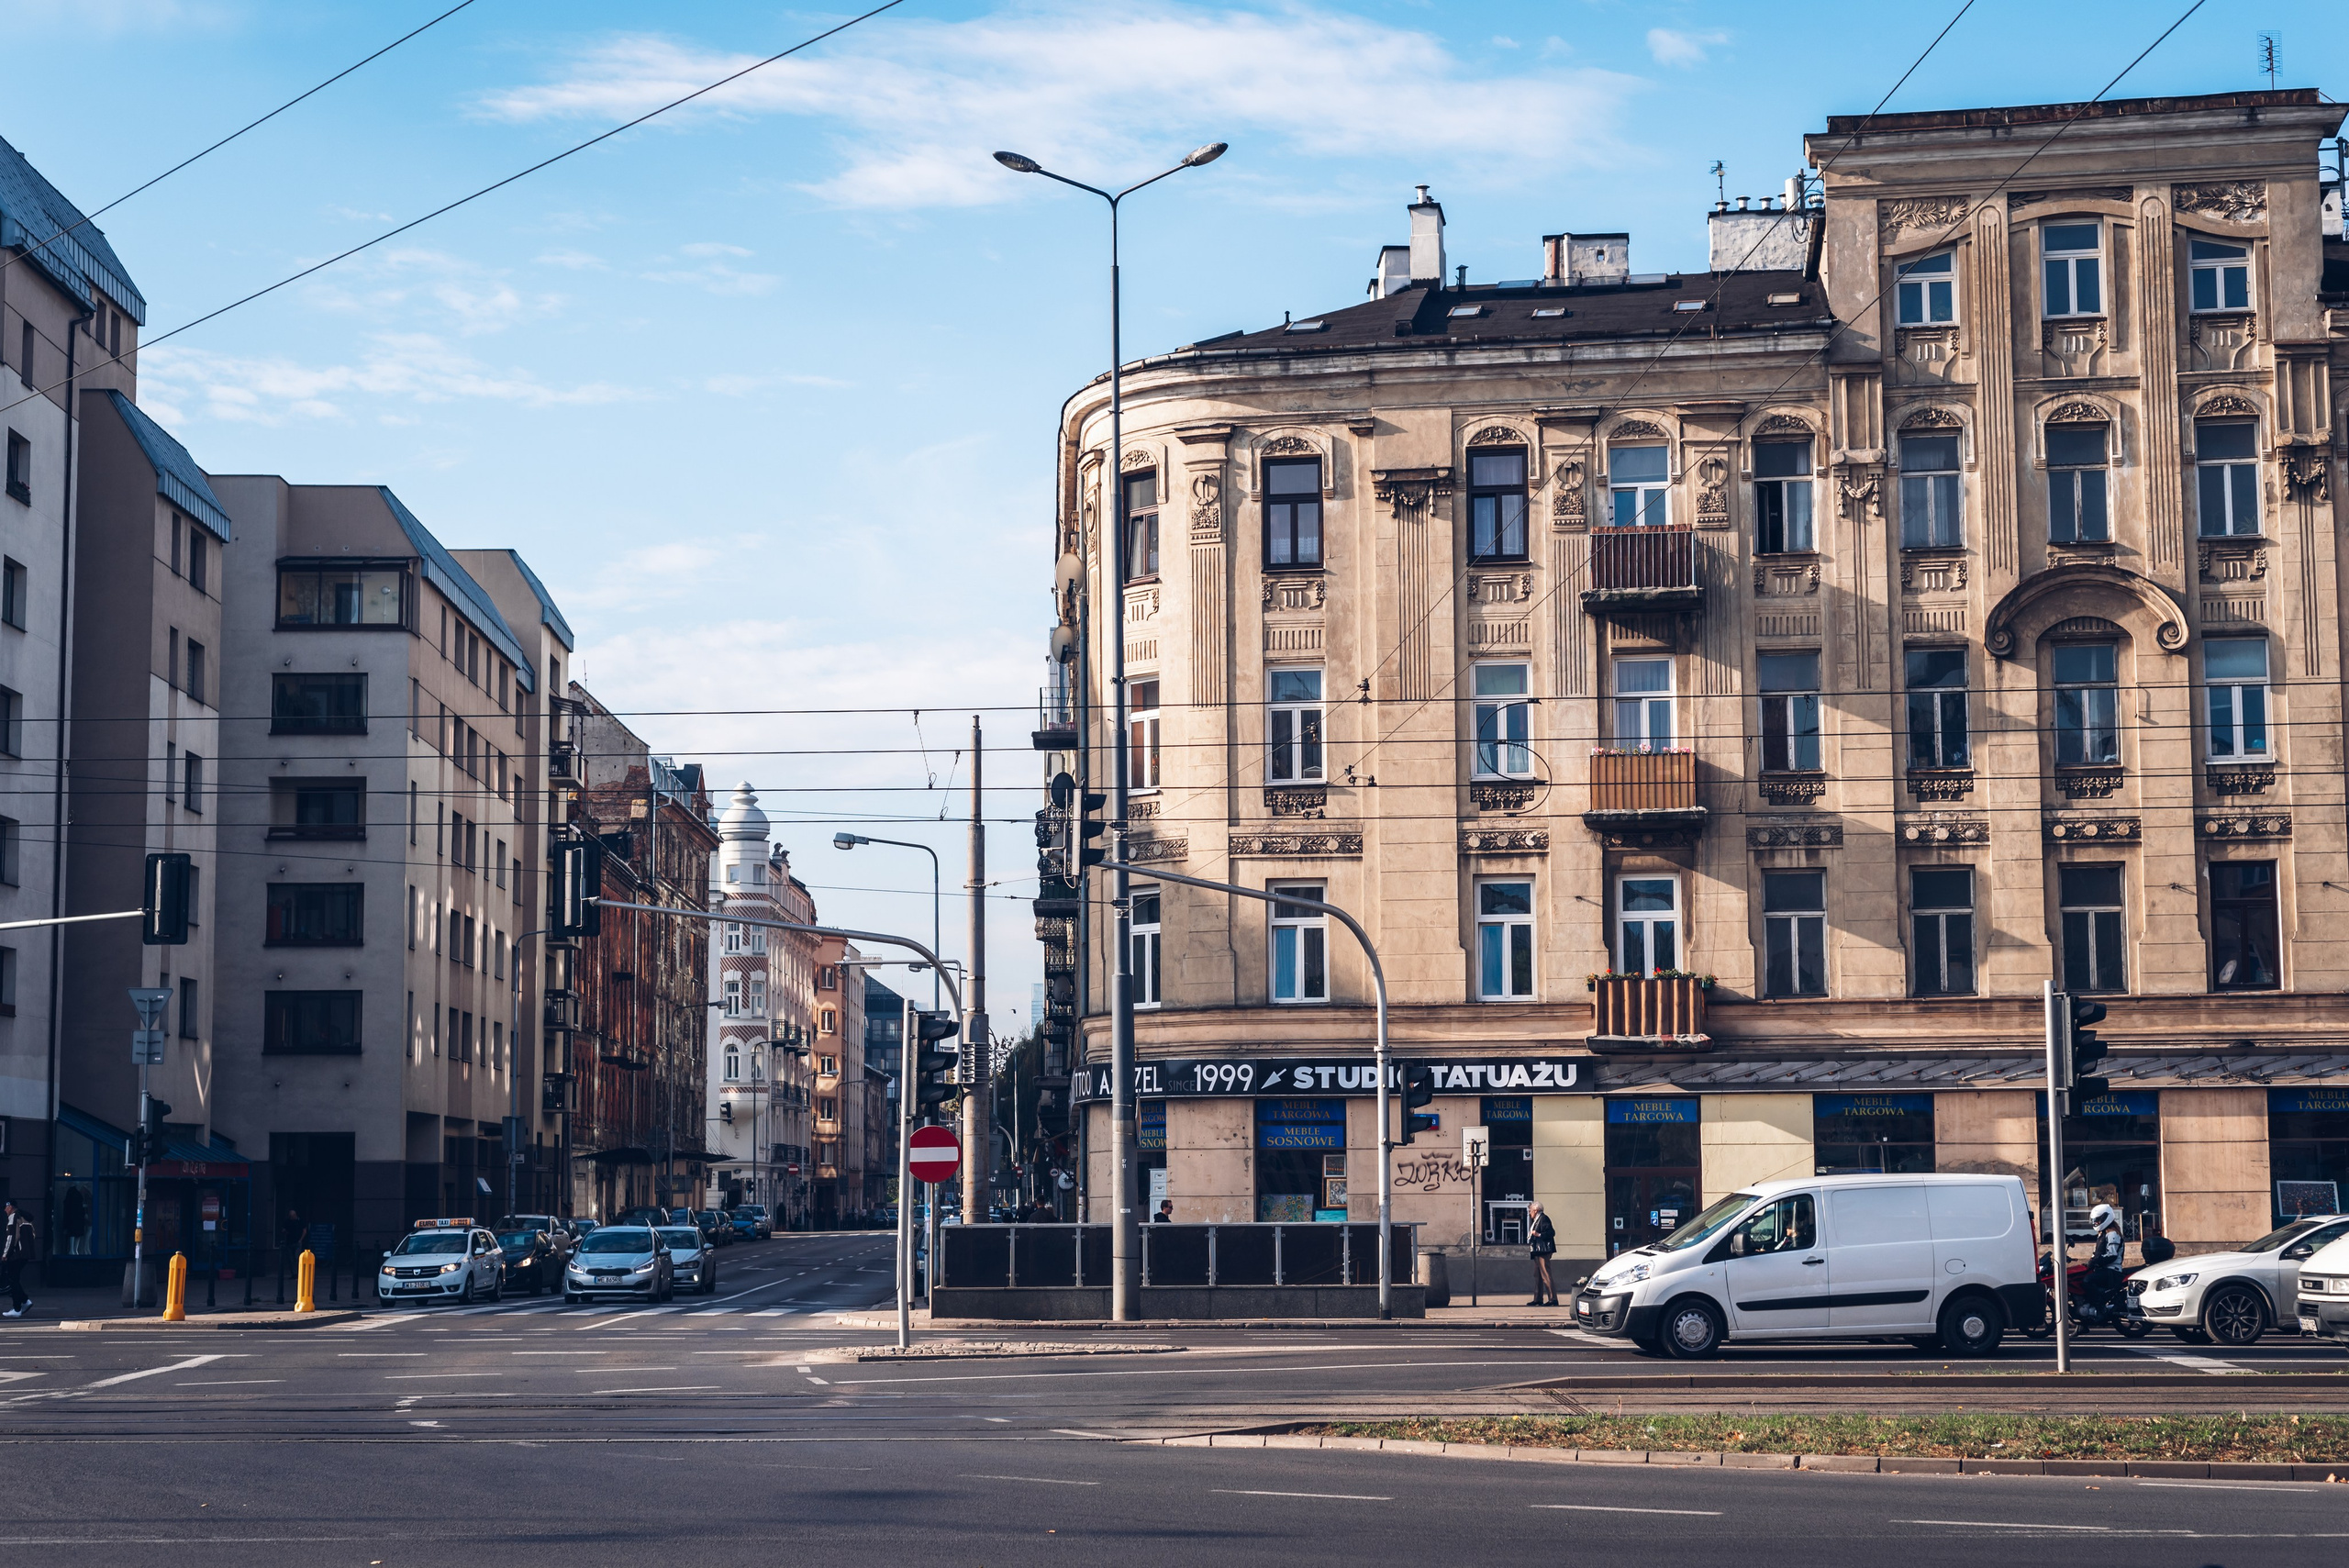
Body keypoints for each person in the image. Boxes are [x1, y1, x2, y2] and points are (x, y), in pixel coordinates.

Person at [1, 1198, 36, 1318]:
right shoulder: (25, 1217)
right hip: (26, 1254)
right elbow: (33, 1235)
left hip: (16, 1254)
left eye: (6, 1207)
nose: (5, 1210)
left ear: (10, 1207)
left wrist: (5, 1254)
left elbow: (12, 1237)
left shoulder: (13, 1217)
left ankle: (17, 1308)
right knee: (14, 1279)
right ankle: (25, 1301)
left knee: (12, 1280)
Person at [1526, 1200, 1557, 1307]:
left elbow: (1551, 1232)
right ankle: (1538, 1298)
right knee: (1537, 1275)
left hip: (1542, 1251)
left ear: (1536, 1210)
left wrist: (1538, 1234)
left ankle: (1553, 1299)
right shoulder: (1537, 1220)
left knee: (1545, 1275)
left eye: (1530, 1211)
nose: (1529, 1213)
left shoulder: (1543, 1218)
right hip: (1537, 1251)